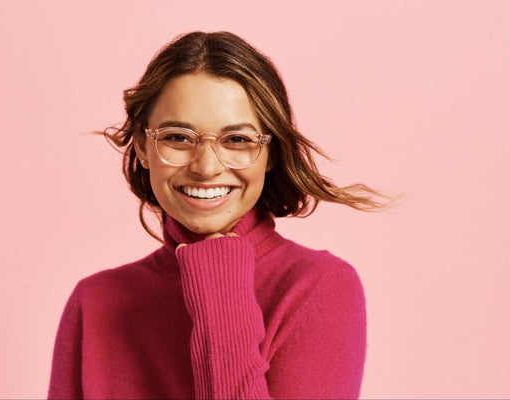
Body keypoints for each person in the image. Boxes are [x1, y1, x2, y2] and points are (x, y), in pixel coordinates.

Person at [48, 31, 393, 399]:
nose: (207, 167)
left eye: (237, 140)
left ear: (271, 153)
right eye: (178, 137)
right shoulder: (95, 301)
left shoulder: (318, 287)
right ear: (143, 147)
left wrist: (219, 283)